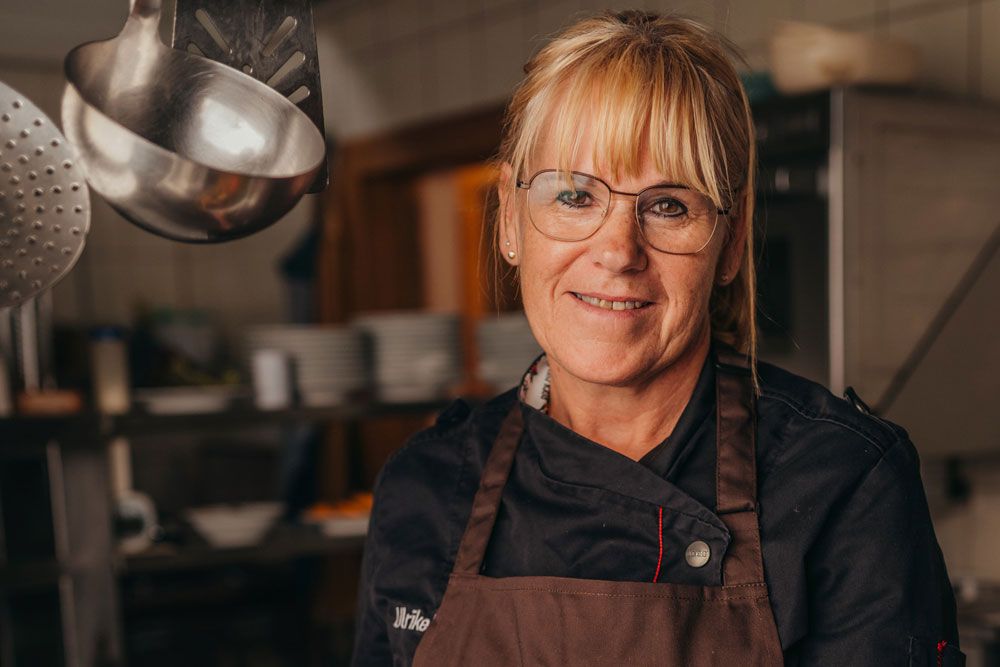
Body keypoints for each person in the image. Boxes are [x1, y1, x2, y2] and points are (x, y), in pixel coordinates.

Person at [350, 10, 962, 666]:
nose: (617, 251)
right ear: (509, 220)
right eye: (574, 196)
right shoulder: (427, 486)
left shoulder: (842, 484)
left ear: (730, 240)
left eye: (668, 205)